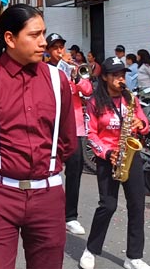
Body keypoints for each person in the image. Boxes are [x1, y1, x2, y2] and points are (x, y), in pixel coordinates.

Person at [0, 4, 77, 269]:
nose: (43, 42)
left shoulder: (58, 81)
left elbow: (68, 141)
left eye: (43, 34)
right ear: (10, 39)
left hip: (48, 195)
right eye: (34, 35)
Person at [80, 56, 150, 269]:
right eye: (116, 76)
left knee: (137, 205)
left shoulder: (130, 99)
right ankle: (90, 250)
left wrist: (142, 124)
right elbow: (90, 134)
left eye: (123, 75)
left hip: (131, 156)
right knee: (108, 205)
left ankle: (134, 257)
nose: (121, 79)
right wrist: (107, 152)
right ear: (104, 77)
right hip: (108, 157)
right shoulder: (94, 102)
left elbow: (145, 123)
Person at [45, 32, 93, 237]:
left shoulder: (75, 68)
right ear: (48, 51)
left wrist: (75, 77)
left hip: (75, 126)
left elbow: (88, 90)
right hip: (50, 126)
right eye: (55, 47)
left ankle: (70, 216)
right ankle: (47, 212)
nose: (59, 51)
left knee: (74, 172)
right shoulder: (43, 69)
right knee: (48, 170)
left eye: (61, 47)